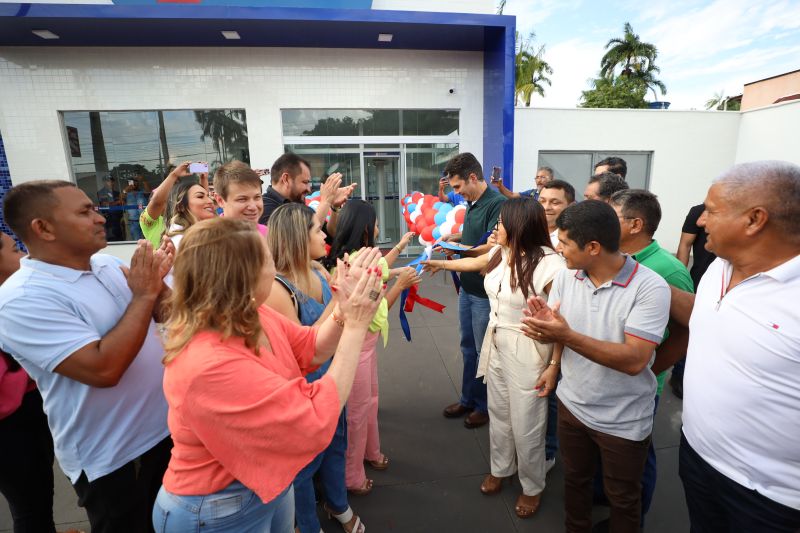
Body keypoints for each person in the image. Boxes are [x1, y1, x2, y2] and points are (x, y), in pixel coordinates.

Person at [152, 217, 385, 532]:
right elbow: (314, 420)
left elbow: (311, 348)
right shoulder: (206, 364)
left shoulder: (251, 313)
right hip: (215, 510)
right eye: (269, 261)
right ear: (243, 275)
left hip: (266, 486)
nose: (275, 271)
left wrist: (343, 310)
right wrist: (357, 325)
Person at [0, 181, 174, 533]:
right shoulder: (20, 300)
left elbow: (166, 313)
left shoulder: (106, 264)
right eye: (84, 212)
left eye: (94, 208)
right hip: (117, 459)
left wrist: (159, 288)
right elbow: (103, 369)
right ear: (43, 228)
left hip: (166, 433)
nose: (99, 217)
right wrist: (143, 296)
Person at [659, 161, 800, 533]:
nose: (701, 221)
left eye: (711, 211)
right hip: (697, 457)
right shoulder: (719, 267)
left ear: (755, 219)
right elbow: (706, 316)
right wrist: (643, 280)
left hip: (771, 498)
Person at [520, 200, 670, 533]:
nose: (559, 251)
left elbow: (634, 360)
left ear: (593, 247)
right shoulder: (567, 277)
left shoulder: (650, 287)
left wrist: (565, 334)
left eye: (565, 244)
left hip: (623, 418)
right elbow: (562, 334)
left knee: (623, 498)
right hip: (573, 406)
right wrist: (548, 337)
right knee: (575, 482)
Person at [422, 198, 565, 519]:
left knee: (528, 422)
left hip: (530, 349)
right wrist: (440, 264)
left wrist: (554, 366)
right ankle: (501, 468)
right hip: (497, 339)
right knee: (499, 411)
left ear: (520, 226)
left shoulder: (550, 265)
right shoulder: (503, 252)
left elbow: (562, 323)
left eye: (500, 223)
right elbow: (475, 263)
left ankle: (532, 486)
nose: (495, 228)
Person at [265, 203, 364, 533]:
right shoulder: (277, 289)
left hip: (333, 382)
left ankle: (338, 504)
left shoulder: (319, 270)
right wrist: (341, 300)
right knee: (304, 468)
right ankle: (306, 524)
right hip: (303, 394)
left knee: (337, 446)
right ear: (296, 237)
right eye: (317, 229)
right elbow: (303, 348)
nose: (325, 234)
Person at [602, 189, 694, 530]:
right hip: (610, 375)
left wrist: (650, 370)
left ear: (636, 224)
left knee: (637, 459)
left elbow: (686, 332)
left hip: (639, 382)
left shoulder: (667, 271)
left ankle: (632, 520)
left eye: (612, 216)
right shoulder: (612, 258)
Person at [323, 199, 419, 495]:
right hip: (359, 344)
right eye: (376, 223)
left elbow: (383, 265)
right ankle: (352, 476)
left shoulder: (354, 258)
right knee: (357, 411)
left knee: (370, 402)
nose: (379, 227)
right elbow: (373, 310)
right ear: (365, 230)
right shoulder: (356, 267)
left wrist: (402, 246)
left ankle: (371, 452)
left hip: (366, 345)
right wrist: (400, 287)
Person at [0, 231, 83, 533]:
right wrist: (48, 360)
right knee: (30, 505)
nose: (23, 255)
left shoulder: (18, 295)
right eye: (13, 250)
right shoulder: (10, 305)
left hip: (28, 413)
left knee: (38, 496)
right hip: (11, 426)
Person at [439, 152, 505, 429]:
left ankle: (484, 406)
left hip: (483, 292)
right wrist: (457, 238)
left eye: (457, 187)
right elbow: (477, 238)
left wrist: (456, 250)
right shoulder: (473, 203)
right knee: (468, 349)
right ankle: (468, 398)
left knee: (483, 352)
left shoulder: (497, 204)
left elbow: (492, 246)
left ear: (473, 178)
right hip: (468, 289)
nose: (456, 193)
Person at [671, 203, 717, 398]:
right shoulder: (697, 210)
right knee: (689, 330)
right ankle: (680, 375)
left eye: (712, 212)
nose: (701, 222)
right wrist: (682, 277)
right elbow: (684, 244)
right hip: (698, 281)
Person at [259, 152, 355, 228]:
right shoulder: (264, 208)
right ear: (286, 179)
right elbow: (300, 239)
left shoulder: (299, 204)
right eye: (305, 182)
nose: (309, 189)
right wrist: (325, 201)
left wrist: (335, 207)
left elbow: (330, 235)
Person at [139, 162, 209, 248]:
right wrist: (174, 175)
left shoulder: (183, 219)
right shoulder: (149, 223)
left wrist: (203, 178)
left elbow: (202, 204)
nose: (170, 201)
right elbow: (157, 202)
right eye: (164, 199)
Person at [163, 180, 217, 287]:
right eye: (200, 197)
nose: (210, 201)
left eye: (208, 196)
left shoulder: (202, 235)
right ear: (181, 206)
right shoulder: (181, 241)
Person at [212, 160, 268, 235]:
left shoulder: (268, 234)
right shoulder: (209, 239)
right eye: (242, 199)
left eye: (257, 197)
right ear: (220, 200)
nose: (253, 207)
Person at [538, 179, 576, 248]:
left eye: (555, 202)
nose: (546, 207)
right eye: (542, 201)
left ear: (571, 206)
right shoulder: (525, 232)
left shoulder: (575, 240)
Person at [122, 175, 151, 241]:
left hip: (145, 221)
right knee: (136, 242)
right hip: (133, 222)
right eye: (132, 182)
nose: (134, 183)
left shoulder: (142, 191)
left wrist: (143, 181)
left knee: (148, 241)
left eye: (136, 181)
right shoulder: (127, 193)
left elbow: (149, 191)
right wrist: (125, 190)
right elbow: (121, 199)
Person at [96, 176, 124, 241]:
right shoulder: (101, 192)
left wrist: (122, 200)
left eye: (112, 181)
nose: (111, 183)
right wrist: (118, 202)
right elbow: (105, 204)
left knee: (120, 238)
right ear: (105, 183)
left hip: (119, 218)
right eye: (108, 181)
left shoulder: (117, 193)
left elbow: (122, 203)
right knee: (111, 238)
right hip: (109, 218)